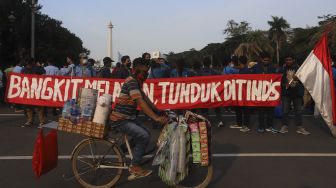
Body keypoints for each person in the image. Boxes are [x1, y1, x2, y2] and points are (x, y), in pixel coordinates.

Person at [109, 57, 168, 178]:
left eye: (147, 72)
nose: (146, 75)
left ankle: (123, 149)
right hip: (120, 119)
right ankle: (135, 166)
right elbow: (141, 102)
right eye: (144, 72)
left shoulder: (137, 82)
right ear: (136, 70)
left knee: (146, 132)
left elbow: (145, 98)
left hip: (128, 117)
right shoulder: (131, 81)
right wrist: (156, 118)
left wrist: (158, 110)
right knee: (144, 136)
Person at [279, 55, 310, 135]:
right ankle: (284, 126)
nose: (288, 61)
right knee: (285, 111)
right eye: (287, 60)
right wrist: (284, 84)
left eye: (290, 60)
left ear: (293, 60)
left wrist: (299, 78)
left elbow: (305, 79)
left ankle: (299, 127)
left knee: (298, 111)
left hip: (297, 93)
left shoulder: (299, 69)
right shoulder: (282, 69)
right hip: (286, 93)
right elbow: (278, 80)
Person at [253, 52, 278, 133]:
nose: (266, 61)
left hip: (271, 93)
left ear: (270, 60)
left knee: (271, 110)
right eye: (264, 60)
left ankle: (270, 126)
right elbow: (251, 78)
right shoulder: (255, 68)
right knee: (261, 111)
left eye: (267, 60)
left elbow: (276, 79)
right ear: (261, 59)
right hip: (260, 93)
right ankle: (261, 127)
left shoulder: (273, 68)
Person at [21, 59, 46, 127]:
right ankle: (31, 121)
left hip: (35, 90)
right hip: (29, 90)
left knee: (37, 106)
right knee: (30, 106)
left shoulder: (35, 68)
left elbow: (44, 73)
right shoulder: (24, 69)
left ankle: (39, 121)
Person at [236, 56, 252, 132]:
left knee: (246, 110)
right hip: (243, 92)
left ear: (240, 62)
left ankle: (246, 126)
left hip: (245, 93)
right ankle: (244, 124)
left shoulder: (245, 70)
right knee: (243, 109)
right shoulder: (244, 70)